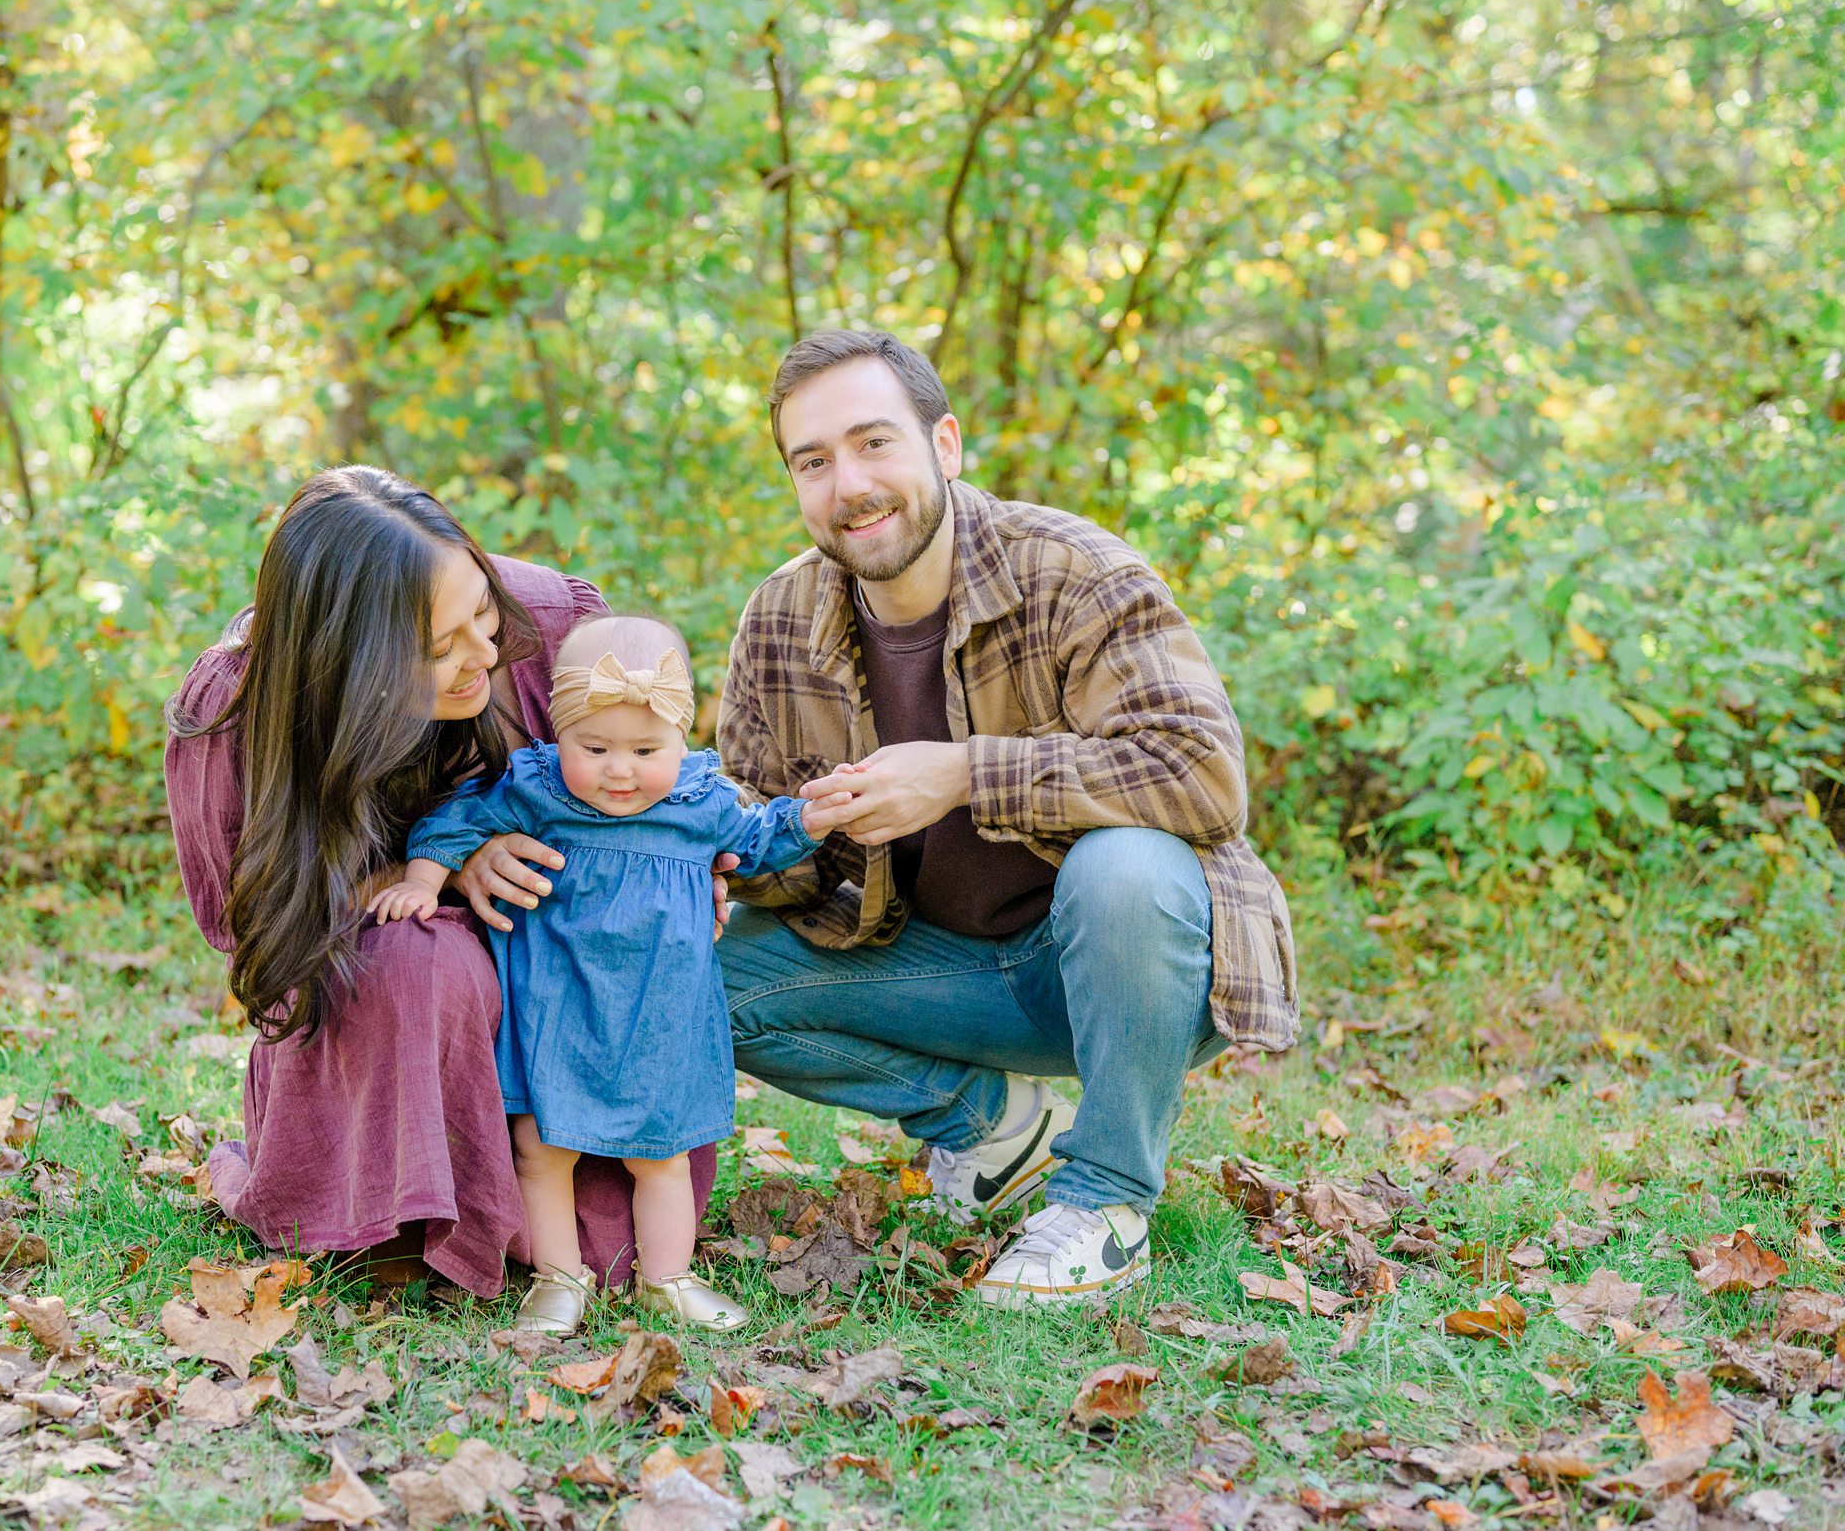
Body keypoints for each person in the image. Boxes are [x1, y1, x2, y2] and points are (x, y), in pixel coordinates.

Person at [716, 330, 1299, 1304]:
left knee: (1126, 866)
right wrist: (766, 834)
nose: (847, 483)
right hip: (939, 972)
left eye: (873, 444)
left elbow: (1202, 774)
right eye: (811, 462)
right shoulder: (779, 618)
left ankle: (1108, 1199)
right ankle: (992, 1128)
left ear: (944, 444)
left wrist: (962, 775)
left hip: (1132, 969)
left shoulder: (1073, 570)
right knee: (696, 952)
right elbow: (756, 841)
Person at [163, 466, 723, 1298]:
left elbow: (646, 770)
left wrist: (690, 862)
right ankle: (414, 1205)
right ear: (348, 666)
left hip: (566, 979)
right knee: (423, 956)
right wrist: (447, 869)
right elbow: (253, 920)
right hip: (388, 998)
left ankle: (573, 1204)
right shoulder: (241, 711)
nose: (487, 655)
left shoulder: (557, 630)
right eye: (439, 649)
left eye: (483, 613)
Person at [374, 616, 838, 1333]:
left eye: (646, 749)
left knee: (662, 1156)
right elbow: (456, 821)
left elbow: (760, 839)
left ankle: (669, 1276)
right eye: (595, 748)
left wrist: (816, 815)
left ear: (683, 741)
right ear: (560, 738)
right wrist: (422, 878)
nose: (620, 771)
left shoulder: (698, 801)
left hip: (660, 1013)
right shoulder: (539, 789)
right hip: (557, 1003)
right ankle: (559, 1278)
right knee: (542, 1146)